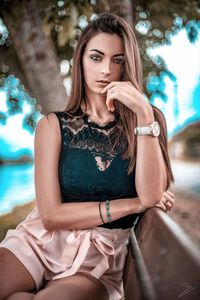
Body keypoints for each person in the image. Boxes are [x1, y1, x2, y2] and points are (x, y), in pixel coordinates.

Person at [0, 12, 175, 300]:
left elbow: (153, 192)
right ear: (81, 60)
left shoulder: (150, 119)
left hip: (99, 256)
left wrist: (143, 112)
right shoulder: (52, 126)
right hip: (37, 243)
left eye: (117, 60)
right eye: (96, 57)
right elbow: (52, 215)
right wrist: (132, 204)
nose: (106, 69)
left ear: (127, 65)